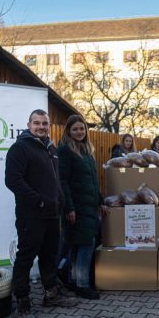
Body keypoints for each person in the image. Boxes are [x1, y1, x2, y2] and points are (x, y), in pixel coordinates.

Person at [5, 109, 76, 318]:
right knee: (26, 257)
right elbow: (13, 180)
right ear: (29, 125)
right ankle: (23, 302)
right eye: (37, 123)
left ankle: (51, 294)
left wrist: (61, 202)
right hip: (31, 215)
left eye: (44, 123)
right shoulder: (20, 148)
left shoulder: (51, 148)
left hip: (52, 214)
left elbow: (55, 181)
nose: (41, 127)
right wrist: (39, 200)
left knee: (49, 255)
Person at [58, 115, 109, 300]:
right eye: (75, 129)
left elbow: (92, 181)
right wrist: (68, 208)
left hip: (88, 206)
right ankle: (82, 284)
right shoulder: (65, 150)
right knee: (86, 244)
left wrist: (100, 200)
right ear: (69, 131)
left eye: (82, 129)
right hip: (76, 207)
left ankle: (71, 279)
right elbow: (62, 181)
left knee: (77, 244)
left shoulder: (86, 151)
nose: (79, 132)